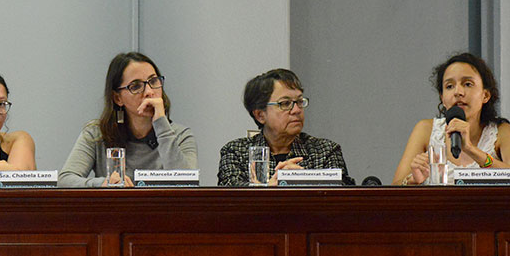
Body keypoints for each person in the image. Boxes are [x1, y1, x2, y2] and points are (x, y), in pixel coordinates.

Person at [59, 52, 197, 187]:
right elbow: (65, 180)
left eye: (153, 81)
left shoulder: (181, 136)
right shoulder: (95, 134)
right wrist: (103, 184)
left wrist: (161, 123)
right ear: (118, 98)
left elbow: (187, 184)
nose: (149, 91)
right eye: (136, 86)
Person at [393, 52, 510, 185]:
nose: (458, 92)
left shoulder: (501, 131)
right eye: (449, 86)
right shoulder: (425, 130)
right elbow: (395, 187)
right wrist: (413, 180)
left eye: (468, 84)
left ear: (485, 95)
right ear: (442, 98)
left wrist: (470, 149)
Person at [217, 68, 353, 186]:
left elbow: (344, 199)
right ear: (260, 115)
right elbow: (229, 195)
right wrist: (266, 192)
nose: (296, 110)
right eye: (285, 103)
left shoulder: (325, 151)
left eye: (299, 101)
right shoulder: (236, 152)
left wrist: (304, 181)